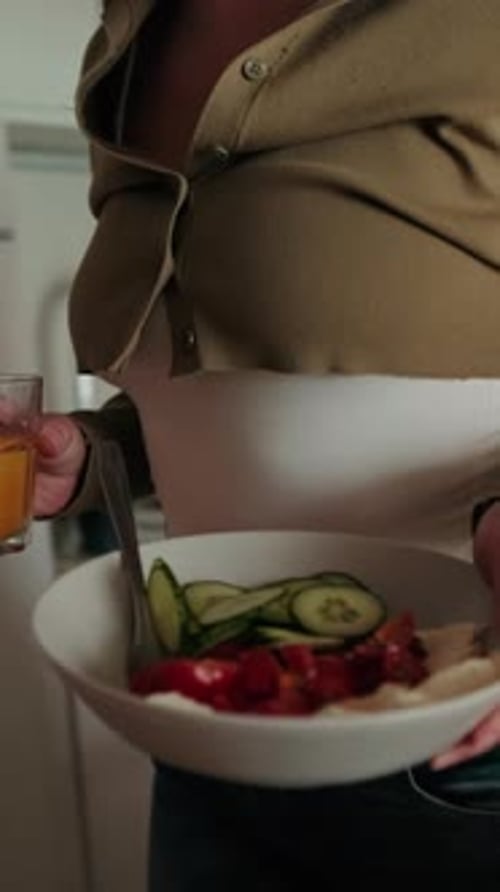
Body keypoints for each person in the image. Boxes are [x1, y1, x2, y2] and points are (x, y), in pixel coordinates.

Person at [35, 0, 500, 886]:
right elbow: (212, 383)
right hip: (209, 708)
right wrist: (90, 457)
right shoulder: (130, 35)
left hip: (457, 737)